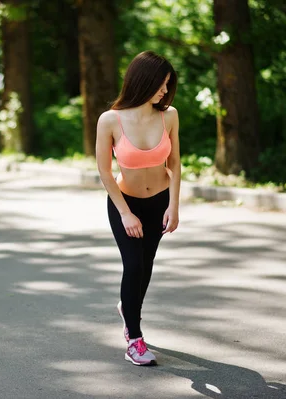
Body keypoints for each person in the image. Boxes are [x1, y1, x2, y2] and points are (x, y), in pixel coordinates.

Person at [95, 51, 180, 366]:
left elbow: (175, 163)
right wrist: (125, 213)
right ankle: (134, 338)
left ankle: (127, 307)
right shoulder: (111, 120)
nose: (164, 91)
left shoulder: (168, 115)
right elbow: (105, 172)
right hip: (125, 203)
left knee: (145, 266)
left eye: (167, 86)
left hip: (159, 202)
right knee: (133, 266)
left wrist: (174, 205)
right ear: (142, 80)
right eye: (160, 84)